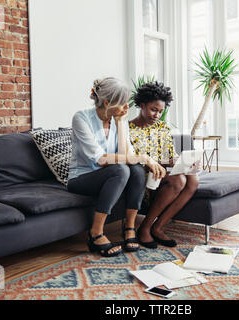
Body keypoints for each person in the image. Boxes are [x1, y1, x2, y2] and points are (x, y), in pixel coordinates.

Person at [67, 77, 166, 257]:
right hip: (81, 178)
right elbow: (100, 159)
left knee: (135, 169)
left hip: (110, 175)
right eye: (123, 104)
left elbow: (126, 156)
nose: (127, 108)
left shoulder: (118, 119)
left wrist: (120, 124)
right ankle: (95, 233)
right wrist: (144, 157)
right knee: (121, 169)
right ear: (107, 103)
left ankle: (129, 227)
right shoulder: (81, 118)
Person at [129, 81, 200, 248]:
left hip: (163, 172)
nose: (157, 115)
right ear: (142, 105)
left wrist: (183, 162)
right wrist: (166, 163)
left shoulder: (162, 127)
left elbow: (170, 155)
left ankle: (159, 226)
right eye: (153, 110)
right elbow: (135, 160)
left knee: (193, 179)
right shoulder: (129, 129)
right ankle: (145, 228)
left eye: (160, 111)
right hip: (144, 177)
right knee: (179, 180)